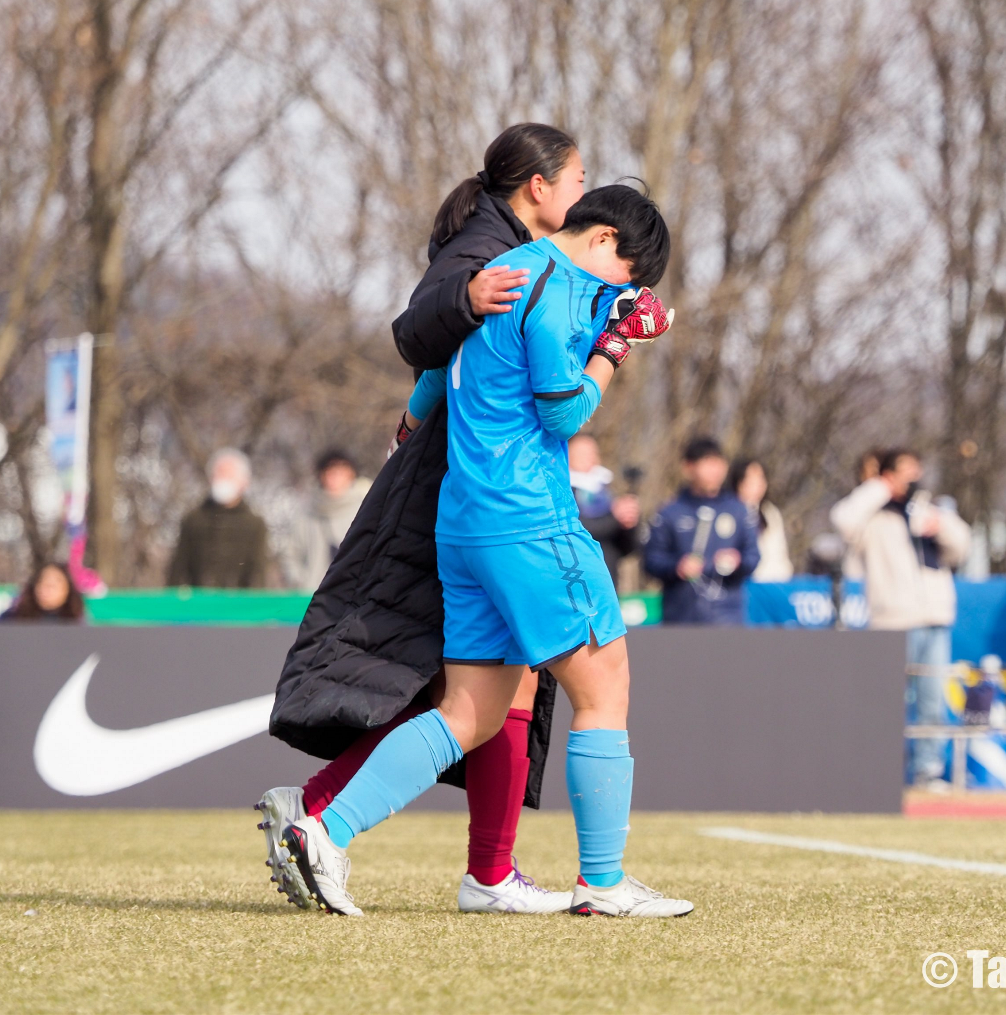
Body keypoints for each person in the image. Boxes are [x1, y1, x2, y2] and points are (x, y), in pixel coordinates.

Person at [277, 185, 691, 918]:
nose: (622, 289)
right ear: (602, 241)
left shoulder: (503, 273)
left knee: (471, 712)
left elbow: (436, 372)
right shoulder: (562, 286)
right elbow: (564, 410)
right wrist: (615, 345)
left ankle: (322, 830)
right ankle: (602, 883)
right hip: (530, 518)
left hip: (463, 523)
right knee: (605, 688)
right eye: (625, 273)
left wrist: (405, 434)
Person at [265, 123, 587, 916]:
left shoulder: (515, 244)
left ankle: (349, 823)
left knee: (479, 685)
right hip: (470, 491)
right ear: (537, 188)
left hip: (467, 482)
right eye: (577, 177)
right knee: (485, 687)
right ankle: (327, 820)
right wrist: (464, 297)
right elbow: (418, 329)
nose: (584, 190)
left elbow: (448, 366)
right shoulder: (489, 248)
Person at [830, 447, 972, 788]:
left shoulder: (927, 507)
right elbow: (842, 518)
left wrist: (940, 525)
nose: (912, 476)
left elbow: (963, 546)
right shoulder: (873, 516)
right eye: (903, 470)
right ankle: (880, 772)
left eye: (916, 468)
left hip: (934, 617)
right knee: (886, 701)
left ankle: (928, 771)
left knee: (932, 700)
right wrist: (880, 488)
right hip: (892, 620)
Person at [643, 437, 760, 625]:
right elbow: (651, 560)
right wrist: (677, 567)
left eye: (719, 463)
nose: (715, 470)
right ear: (688, 467)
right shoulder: (669, 513)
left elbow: (753, 556)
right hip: (680, 618)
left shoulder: (739, 510)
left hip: (728, 619)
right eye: (707, 462)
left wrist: (737, 561)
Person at [166, 448, 268, 588]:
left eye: (228, 476)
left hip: (238, 605)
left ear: (244, 482)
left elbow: (257, 573)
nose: (222, 481)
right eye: (218, 475)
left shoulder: (254, 525)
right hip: (199, 604)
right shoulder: (193, 520)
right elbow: (178, 568)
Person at [281, 449, 373, 590]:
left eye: (341, 471)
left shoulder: (367, 512)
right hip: (311, 598)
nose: (335, 477)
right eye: (330, 472)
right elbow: (290, 554)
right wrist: (300, 582)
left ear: (352, 474)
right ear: (321, 475)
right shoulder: (306, 514)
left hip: (354, 599)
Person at [567, 433, 639, 587]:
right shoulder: (562, 493)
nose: (589, 458)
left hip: (608, 579)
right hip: (575, 578)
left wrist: (629, 524)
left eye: (593, 453)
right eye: (581, 453)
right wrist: (614, 517)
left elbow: (627, 549)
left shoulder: (607, 493)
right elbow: (578, 529)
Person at [728, 458, 793, 583]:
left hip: (774, 583)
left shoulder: (770, 512)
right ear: (738, 482)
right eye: (751, 480)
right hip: (743, 584)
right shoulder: (728, 513)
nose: (758, 485)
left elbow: (780, 552)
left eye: (761, 479)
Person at [0, 563, 85, 622]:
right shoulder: (13, 619)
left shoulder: (78, 624)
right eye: (42, 580)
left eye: (56, 582)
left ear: (67, 589)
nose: (48, 586)